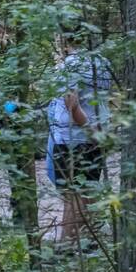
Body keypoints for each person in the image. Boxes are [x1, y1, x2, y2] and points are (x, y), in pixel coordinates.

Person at [46, 26, 111, 245]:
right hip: (97, 135)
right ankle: (87, 242)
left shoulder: (70, 65)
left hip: (73, 136)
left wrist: (87, 126)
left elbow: (70, 102)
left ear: (64, 40)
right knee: (88, 189)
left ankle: (66, 245)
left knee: (71, 193)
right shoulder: (101, 61)